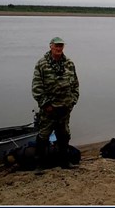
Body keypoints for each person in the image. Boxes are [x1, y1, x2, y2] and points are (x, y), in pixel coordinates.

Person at [32, 36, 80, 174]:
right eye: (56, 46)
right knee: (43, 135)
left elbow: (75, 84)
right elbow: (36, 87)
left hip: (65, 108)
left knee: (64, 135)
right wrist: (46, 104)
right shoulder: (42, 64)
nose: (59, 48)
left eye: (61, 46)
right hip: (49, 109)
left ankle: (65, 162)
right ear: (51, 46)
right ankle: (39, 165)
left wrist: (73, 101)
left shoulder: (69, 63)